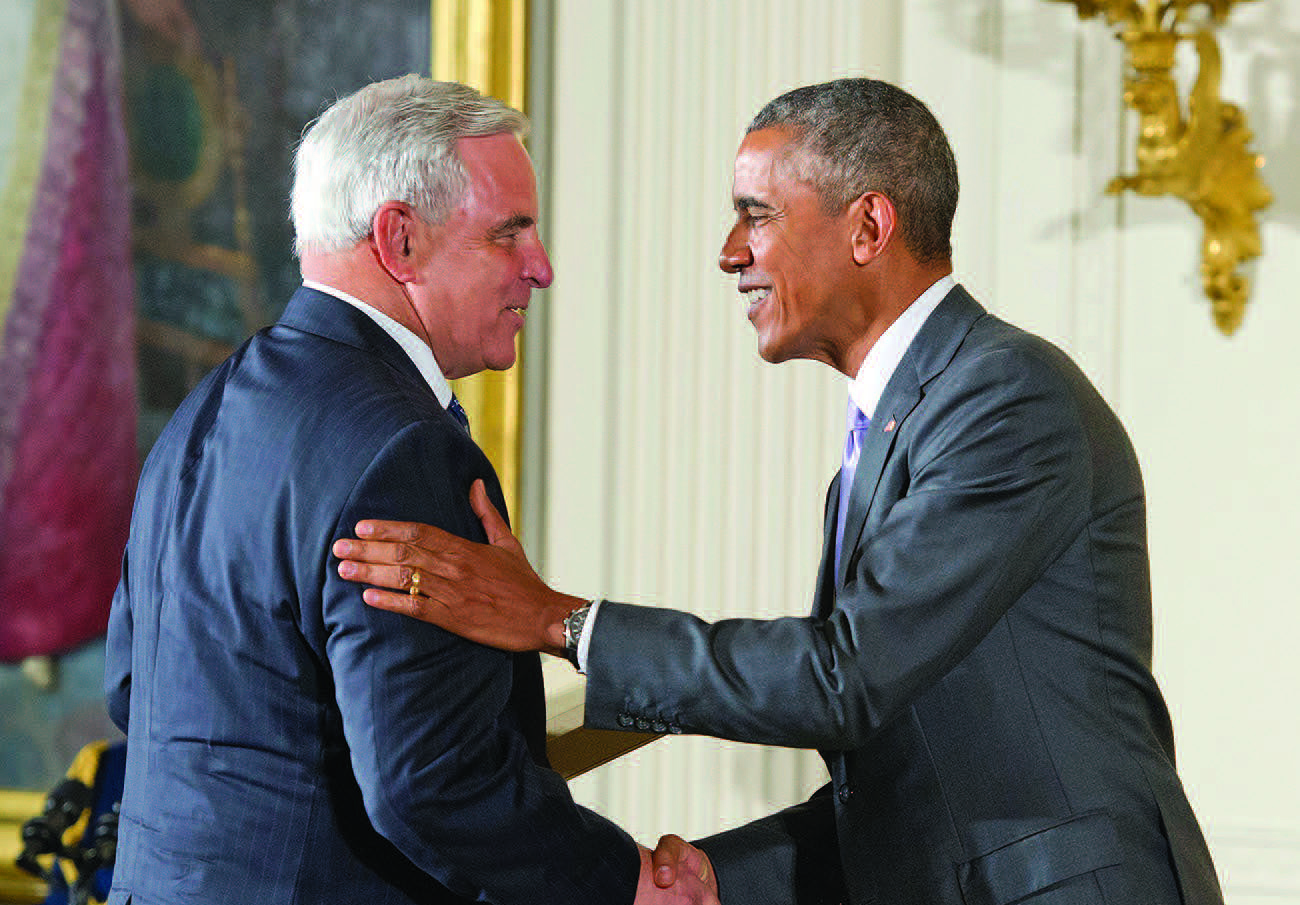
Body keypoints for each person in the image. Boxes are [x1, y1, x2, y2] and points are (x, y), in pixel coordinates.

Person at [333, 78, 1225, 905]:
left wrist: (560, 621)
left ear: (868, 227)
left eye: (754, 216)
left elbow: (842, 678)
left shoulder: (1005, 397)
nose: (730, 254)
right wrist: (712, 878)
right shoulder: (890, 440)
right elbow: (900, 784)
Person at [104, 75, 716, 905]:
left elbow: (133, 690)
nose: (540, 267)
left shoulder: (201, 414)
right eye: (512, 233)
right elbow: (428, 778)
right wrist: (625, 884)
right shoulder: (406, 452)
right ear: (400, 241)